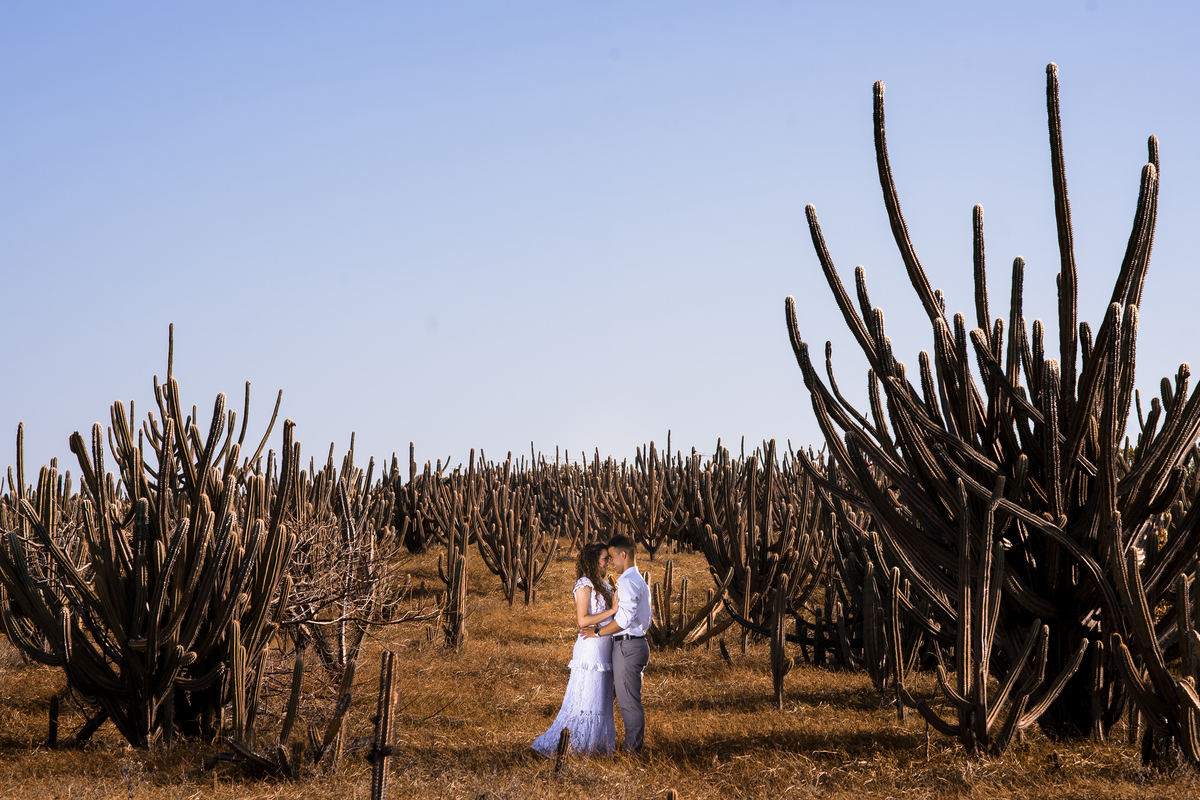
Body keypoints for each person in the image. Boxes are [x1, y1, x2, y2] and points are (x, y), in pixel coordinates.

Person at [531, 543, 618, 757]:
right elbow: (582, 620)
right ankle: (573, 744)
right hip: (591, 651)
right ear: (592, 560)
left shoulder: (604, 585)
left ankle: (595, 745)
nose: (607, 562)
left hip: (604, 649)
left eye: (608, 558)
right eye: (604, 558)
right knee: (587, 697)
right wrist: (614, 610)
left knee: (600, 699)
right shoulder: (584, 584)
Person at [582, 534, 651, 755]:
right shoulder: (639, 580)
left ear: (623, 554)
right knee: (630, 700)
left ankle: (633, 753)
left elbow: (623, 621)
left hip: (627, 647)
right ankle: (632, 749)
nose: (611, 562)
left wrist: (598, 631)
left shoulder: (628, 582)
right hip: (635, 644)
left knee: (629, 704)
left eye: (612, 557)